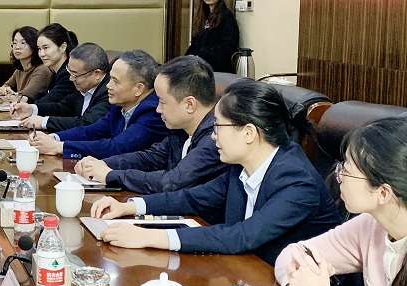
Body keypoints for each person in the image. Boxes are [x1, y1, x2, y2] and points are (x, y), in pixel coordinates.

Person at [91, 80, 342, 265]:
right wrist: (129, 206)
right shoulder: (241, 167)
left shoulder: (297, 180)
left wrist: (148, 237)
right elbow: (192, 198)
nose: (213, 136)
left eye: (218, 126)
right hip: (248, 272)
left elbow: (241, 236)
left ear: (248, 133)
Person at [276, 118, 407, 286]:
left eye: (347, 170)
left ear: (383, 193)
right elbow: (291, 254)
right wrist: (302, 281)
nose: (338, 176)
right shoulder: (370, 225)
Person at [74, 55, 226, 194]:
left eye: (162, 102)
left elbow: (171, 182)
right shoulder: (181, 130)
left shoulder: (215, 139)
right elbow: (150, 158)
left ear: (189, 104)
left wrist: (110, 175)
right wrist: (102, 164)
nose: (158, 109)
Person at [31, 49, 168, 160]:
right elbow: (92, 132)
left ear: (138, 89)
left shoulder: (154, 111)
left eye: (115, 81)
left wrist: (59, 147)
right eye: (110, 79)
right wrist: (54, 137)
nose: (108, 85)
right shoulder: (119, 105)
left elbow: (117, 147)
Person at [14, 42, 111, 132]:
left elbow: (86, 123)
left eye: (75, 74)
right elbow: (62, 108)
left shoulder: (109, 92)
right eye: (69, 72)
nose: (71, 78)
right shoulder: (84, 87)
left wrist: (45, 122)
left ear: (97, 74)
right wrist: (32, 109)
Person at [2, 23, 78, 113]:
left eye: (46, 48)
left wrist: (26, 106)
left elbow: (50, 102)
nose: (41, 54)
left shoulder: (68, 74)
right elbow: (43, 98)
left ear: (62, 47)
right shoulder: (56, 72)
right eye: (39, 49)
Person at [185, 0, 240, 73]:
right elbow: (194, 43)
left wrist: (203, 54)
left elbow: (228, 46)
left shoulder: (227, 16)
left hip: (218, 70)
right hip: (198, 67)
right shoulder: (202, 16)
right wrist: (187, 58)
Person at [0, 26, 51, 102]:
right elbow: (7, 85)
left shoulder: (42, 70)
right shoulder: (19, 70)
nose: (17, 47)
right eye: (14, 43)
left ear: (33, 45)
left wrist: (11, 94)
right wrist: (5, 90)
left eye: (23, 43)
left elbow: (26, 95)